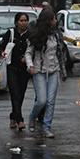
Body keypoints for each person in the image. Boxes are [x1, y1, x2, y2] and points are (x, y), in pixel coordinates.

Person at [25, 9, 67, 138]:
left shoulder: (56, 35)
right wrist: (30, 65)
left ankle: (46, 127)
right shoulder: (36, 35)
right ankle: (32, 118)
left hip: (54, 70)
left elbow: (60, 54)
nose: (55, 21)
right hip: (39, 71)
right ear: (48, 21)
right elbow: (28, 53)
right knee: (41, 100)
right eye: (53, 19)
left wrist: (63, 71)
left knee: (50, 101)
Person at [0, 12, 31, 130]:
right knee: (15, 93)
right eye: (21, 20)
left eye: (25, 20)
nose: (24, 22)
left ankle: (13, 116)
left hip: (24, 70)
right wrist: (2, 52)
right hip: (12, 68)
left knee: (21, 94)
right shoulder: (10, 33)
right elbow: (0, 47)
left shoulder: (30, 35)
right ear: (16, 22)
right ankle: (20, 120)